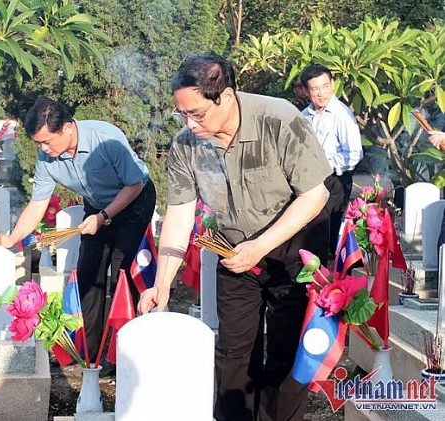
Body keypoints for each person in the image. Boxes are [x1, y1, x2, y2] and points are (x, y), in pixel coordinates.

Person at [137, 53, 332, 421]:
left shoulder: (279, 119)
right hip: (232, 250)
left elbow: (315, 195)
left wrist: (260, 246)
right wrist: (162, 284)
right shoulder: (186, 145)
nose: (190, 124)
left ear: (225, 97)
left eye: (197, 114)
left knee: (286, 353)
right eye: (183, 114)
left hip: (294, 248)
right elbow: (180, 213)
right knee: (232, 353)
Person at [0, 97, 155, 362]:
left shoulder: (105, 138)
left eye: (47, 141)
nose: (44, 149)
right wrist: (13, 237)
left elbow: (134, 185)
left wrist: (104, 216)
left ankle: (125, 356)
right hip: (98, 205)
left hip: (134, 200)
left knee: (122, 274)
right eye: (39, 143)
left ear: (67, 128)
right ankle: (88, 354)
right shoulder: (47, 158)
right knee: (88, 272)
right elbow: (38, 203)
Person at [300, 64, 363, 253]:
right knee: (310, 230)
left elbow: (354, 154)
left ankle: (331, 277)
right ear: (306, 91)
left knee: (328, 231)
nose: (321, 93)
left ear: (333, 84)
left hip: (334, 180)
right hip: (309, 181)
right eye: (315, 89)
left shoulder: (341, 114)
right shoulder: (304, 116)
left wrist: (328, 167)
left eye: (325, 86)